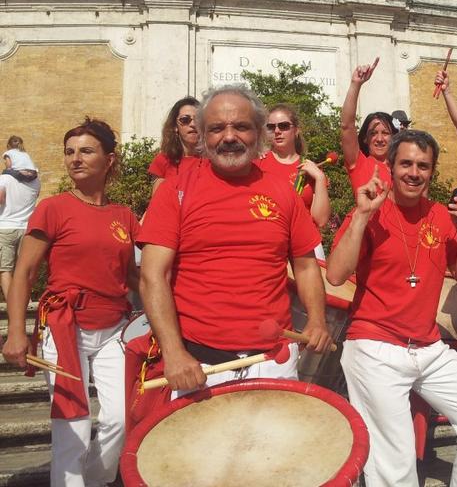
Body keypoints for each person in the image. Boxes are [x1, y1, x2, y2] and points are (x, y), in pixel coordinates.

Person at [327, 130, 457, 487]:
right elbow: (335, 274)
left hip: (428, 348)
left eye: (423, 166)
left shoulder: (442, 215)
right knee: (394, 466)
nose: (414, 172)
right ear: (391, 167)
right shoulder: (371, 210)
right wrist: (362, 216)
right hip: (374, 347)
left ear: (432, 171)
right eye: (406, 164)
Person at [138, 87, 332, 394]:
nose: (229, 137)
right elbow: (153, 276)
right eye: (216, 128)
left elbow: (306, 266)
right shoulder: (174, 190)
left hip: (275, 363)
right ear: (202, 135)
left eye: (241, 126)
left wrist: (318, 321)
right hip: (200, 366)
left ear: (258, 133)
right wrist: (173, 352)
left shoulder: (283, 191)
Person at [2, 118, 139, 487]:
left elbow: (134, 277)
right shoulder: (53, 208)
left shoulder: (124, 216)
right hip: (65, 326)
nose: (75, 159)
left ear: (109, 159)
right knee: (72, 423)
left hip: (115, 330)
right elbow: (24, 272)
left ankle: (93, 480)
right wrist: (16, 332)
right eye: (69, 152)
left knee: (123, 419)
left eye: (86, 151)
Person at [258, 103, 331, 230]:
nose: (277, 131)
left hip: (303, 242)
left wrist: (319, 177)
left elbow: (321, 220)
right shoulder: (258, 164)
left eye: (284, 126)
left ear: (296, 130)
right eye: (271, 127)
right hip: (268, 240)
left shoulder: (311, 169)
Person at [340, 59, 398, 195]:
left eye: (385, 133)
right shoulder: (359, 164)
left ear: (394, 137)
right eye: (373, 133)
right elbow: (346, 126)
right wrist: (356, 84)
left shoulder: (404, 168)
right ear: (365, 138)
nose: (379, 139)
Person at [0, 161, 40, 300]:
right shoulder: (35, 181)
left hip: (6, 227)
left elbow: (0, 198)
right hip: (26, 227)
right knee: (24, 269)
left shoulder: (4, 179)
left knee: (5, 270)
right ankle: (25, 301)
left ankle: (14, 306)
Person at [148, 96, 201, 195]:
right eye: (185, 120)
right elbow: (157, 201)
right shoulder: (163, 161)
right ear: (175, 127)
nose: (193, 124)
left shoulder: (212, 161)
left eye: (198, 119)